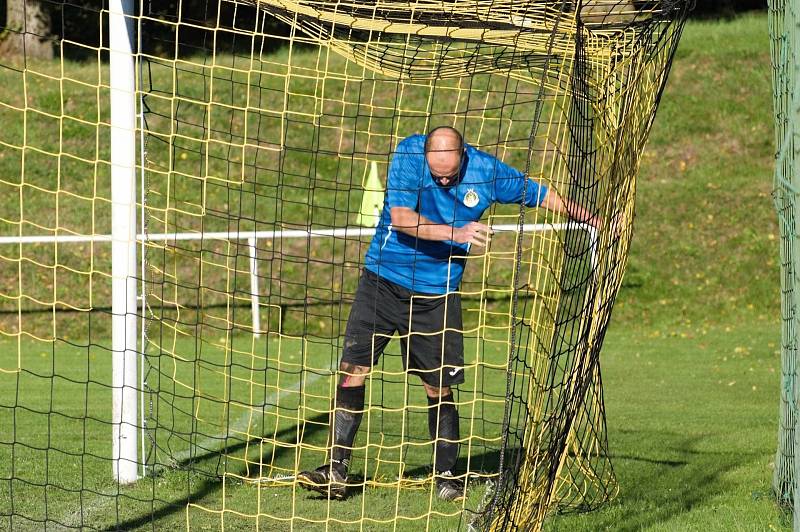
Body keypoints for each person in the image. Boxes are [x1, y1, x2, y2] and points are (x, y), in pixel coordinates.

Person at [297, 126, 600, 502]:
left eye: (449, 174)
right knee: (352, 370)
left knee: (437, 386)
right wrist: (457, 231)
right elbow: (402, 218)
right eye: (436, 172)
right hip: (382, 280)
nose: (442, 179)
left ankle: (446, 475)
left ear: (463, 155)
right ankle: (336, 469)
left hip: (436, 294)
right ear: (425, 154)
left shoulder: (487, 171)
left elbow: (542, 195)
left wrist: (596, 220)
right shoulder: (408, 154)